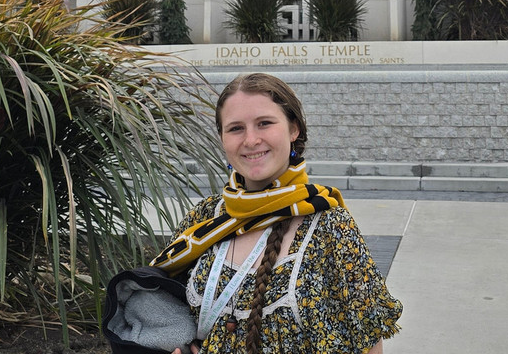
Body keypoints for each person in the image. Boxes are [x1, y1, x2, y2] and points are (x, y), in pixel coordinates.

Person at [151, 72, 402, 354]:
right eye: (235, 128)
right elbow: (164, 314)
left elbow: (369, 345)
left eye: (264, 123)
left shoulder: (331, 227)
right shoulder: (204, 218)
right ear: (222, 138)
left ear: (293, 129)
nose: (250, 139)